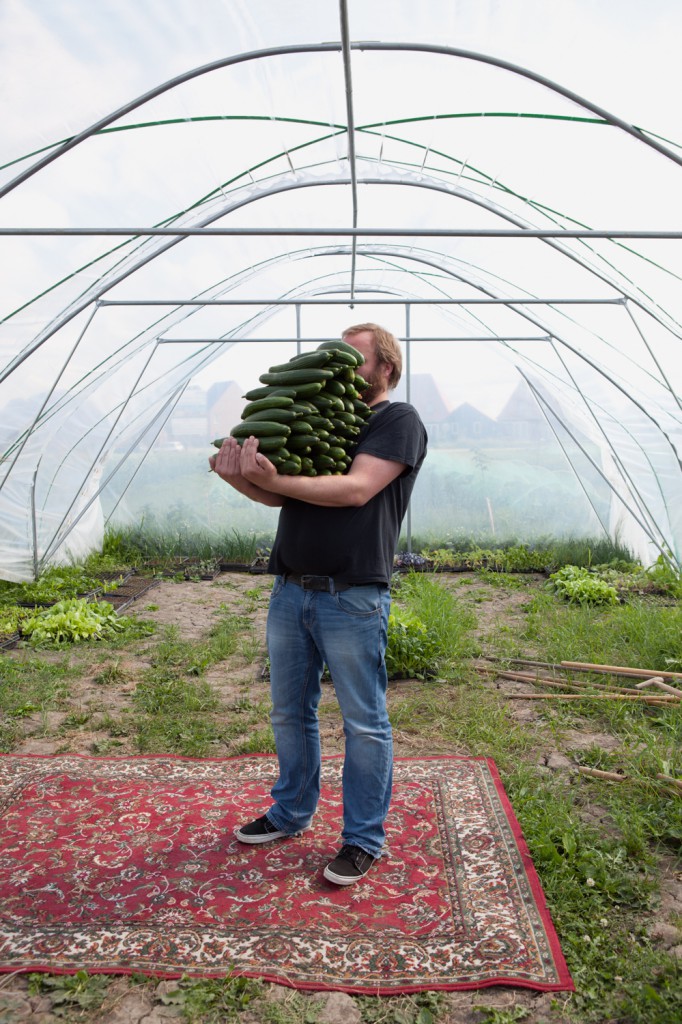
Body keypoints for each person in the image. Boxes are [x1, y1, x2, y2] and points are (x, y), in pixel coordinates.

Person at [209, 323, 427, 885]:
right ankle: (290, 812)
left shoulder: (396, 421)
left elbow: (354, 489)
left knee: (364, 723)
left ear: (386, 368)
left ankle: (362, 839)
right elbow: (280, 494)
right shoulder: (322, 415)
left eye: (353, 358)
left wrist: (280, 479)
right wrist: (243, 479)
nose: (338, 365)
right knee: (289, 712)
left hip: (352, 595)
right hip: (290, 590)